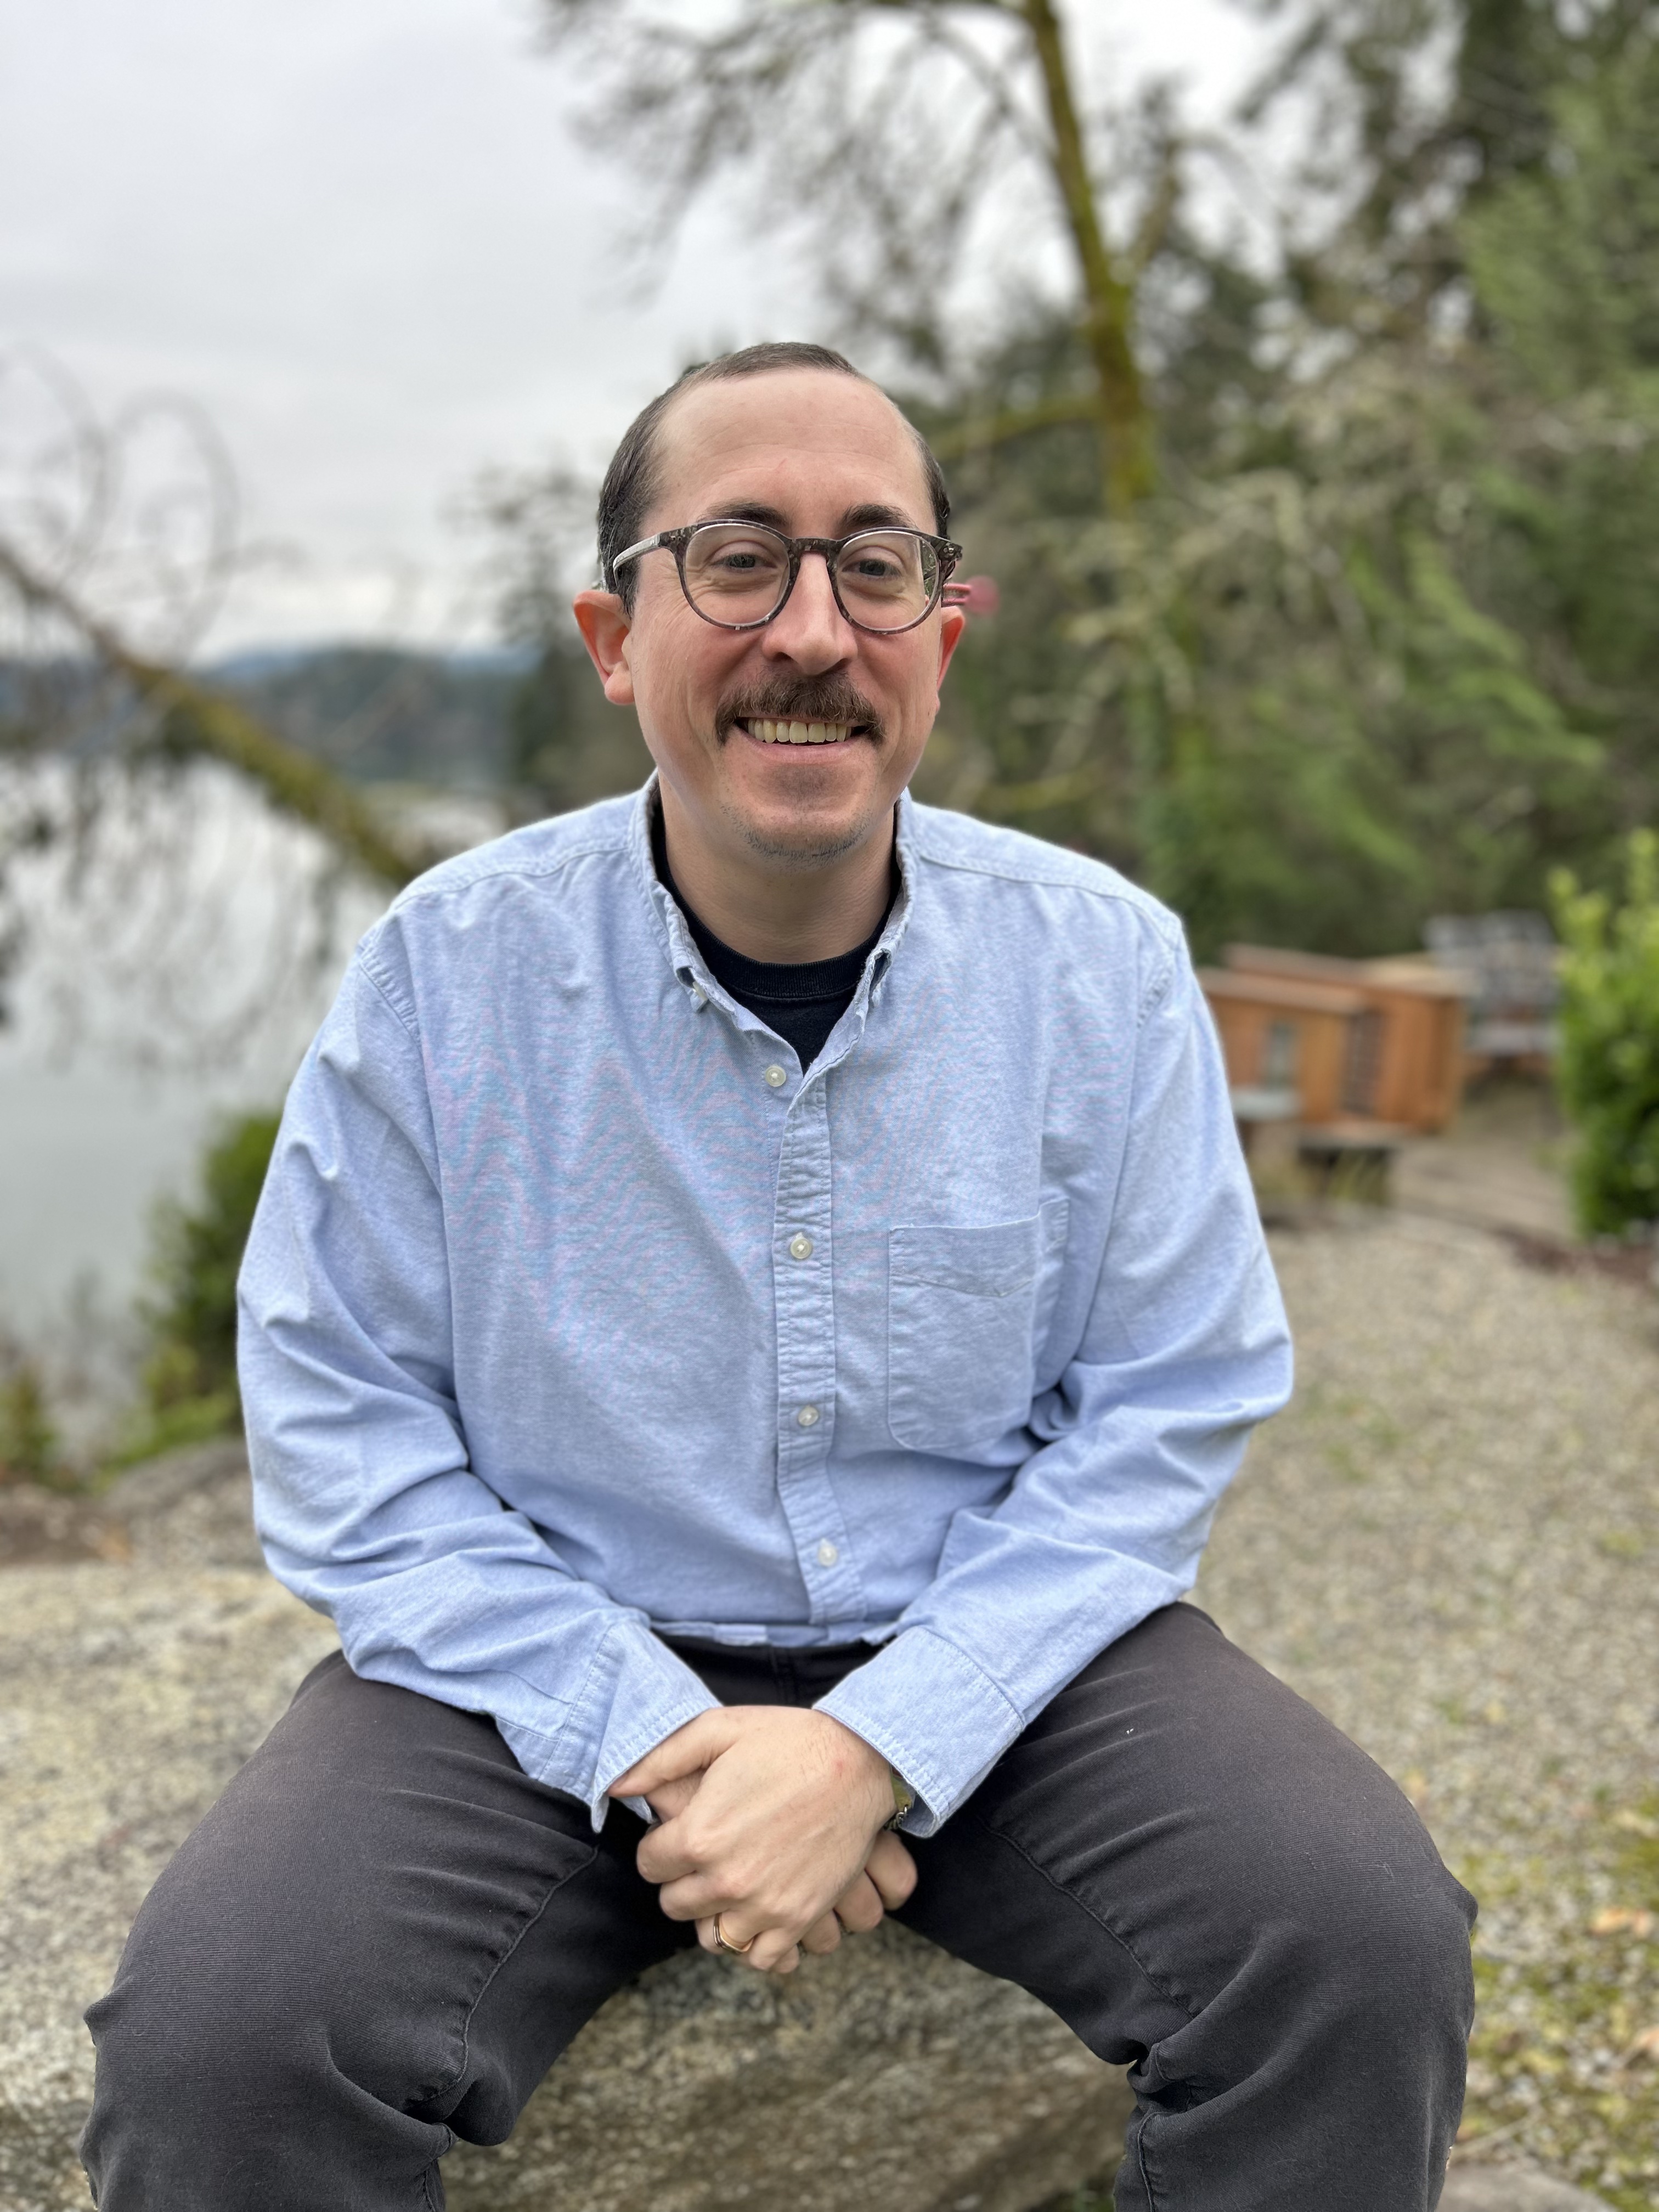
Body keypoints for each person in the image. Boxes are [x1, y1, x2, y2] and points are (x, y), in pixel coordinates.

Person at [81, 341, 1475, 2211]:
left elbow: (1166, 1400)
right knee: (227, 2036)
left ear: (943, 640)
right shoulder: (449, 972)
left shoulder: (1102, 970)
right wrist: (652, 1736)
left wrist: (881, 1748)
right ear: (611, 634)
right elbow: (339, 1415)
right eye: (737, 559)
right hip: (536, 1655)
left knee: (1357, 1949)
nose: (812, 628)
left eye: (873, 564)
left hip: (992, 1642)